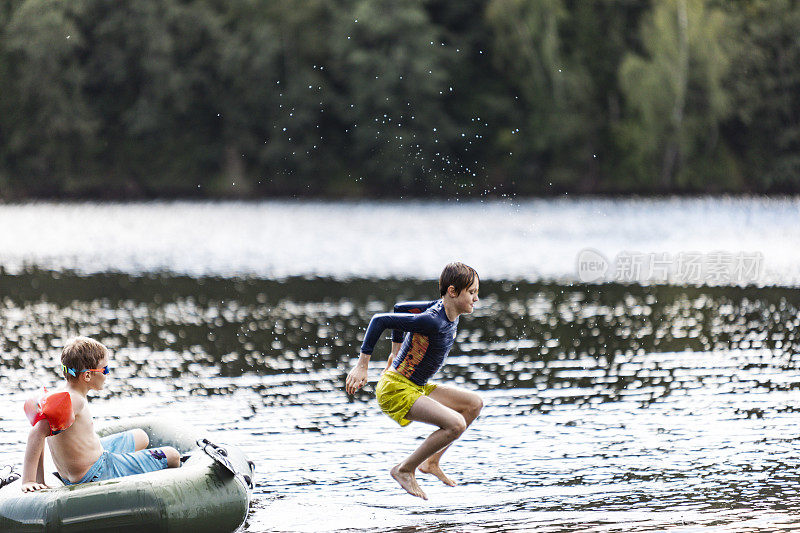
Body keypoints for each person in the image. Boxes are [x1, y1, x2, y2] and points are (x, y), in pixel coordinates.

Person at [345, 262, 483, 500]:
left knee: (474, 404)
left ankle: (431, 463)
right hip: (395, 390)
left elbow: (400, 308)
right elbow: (380, 320)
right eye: (472, 292)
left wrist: (394, 352)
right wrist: (362, 365)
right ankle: (404, 469)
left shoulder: (445, 310)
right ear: (452, 291)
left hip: (414, 386)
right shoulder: (432, 320)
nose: (476, 299)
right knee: (456, 424)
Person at [20, 336, 180, 492]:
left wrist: (40, 479)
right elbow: (37, 432)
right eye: (105, 369)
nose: (108, 373)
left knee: (141, 436)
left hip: (89, 462)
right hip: (96, 472)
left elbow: (41, 433)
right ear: (88, 375)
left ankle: (133, 470)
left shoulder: (63, 395)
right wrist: (29, 480)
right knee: (172, 456)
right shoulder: (75, 401)